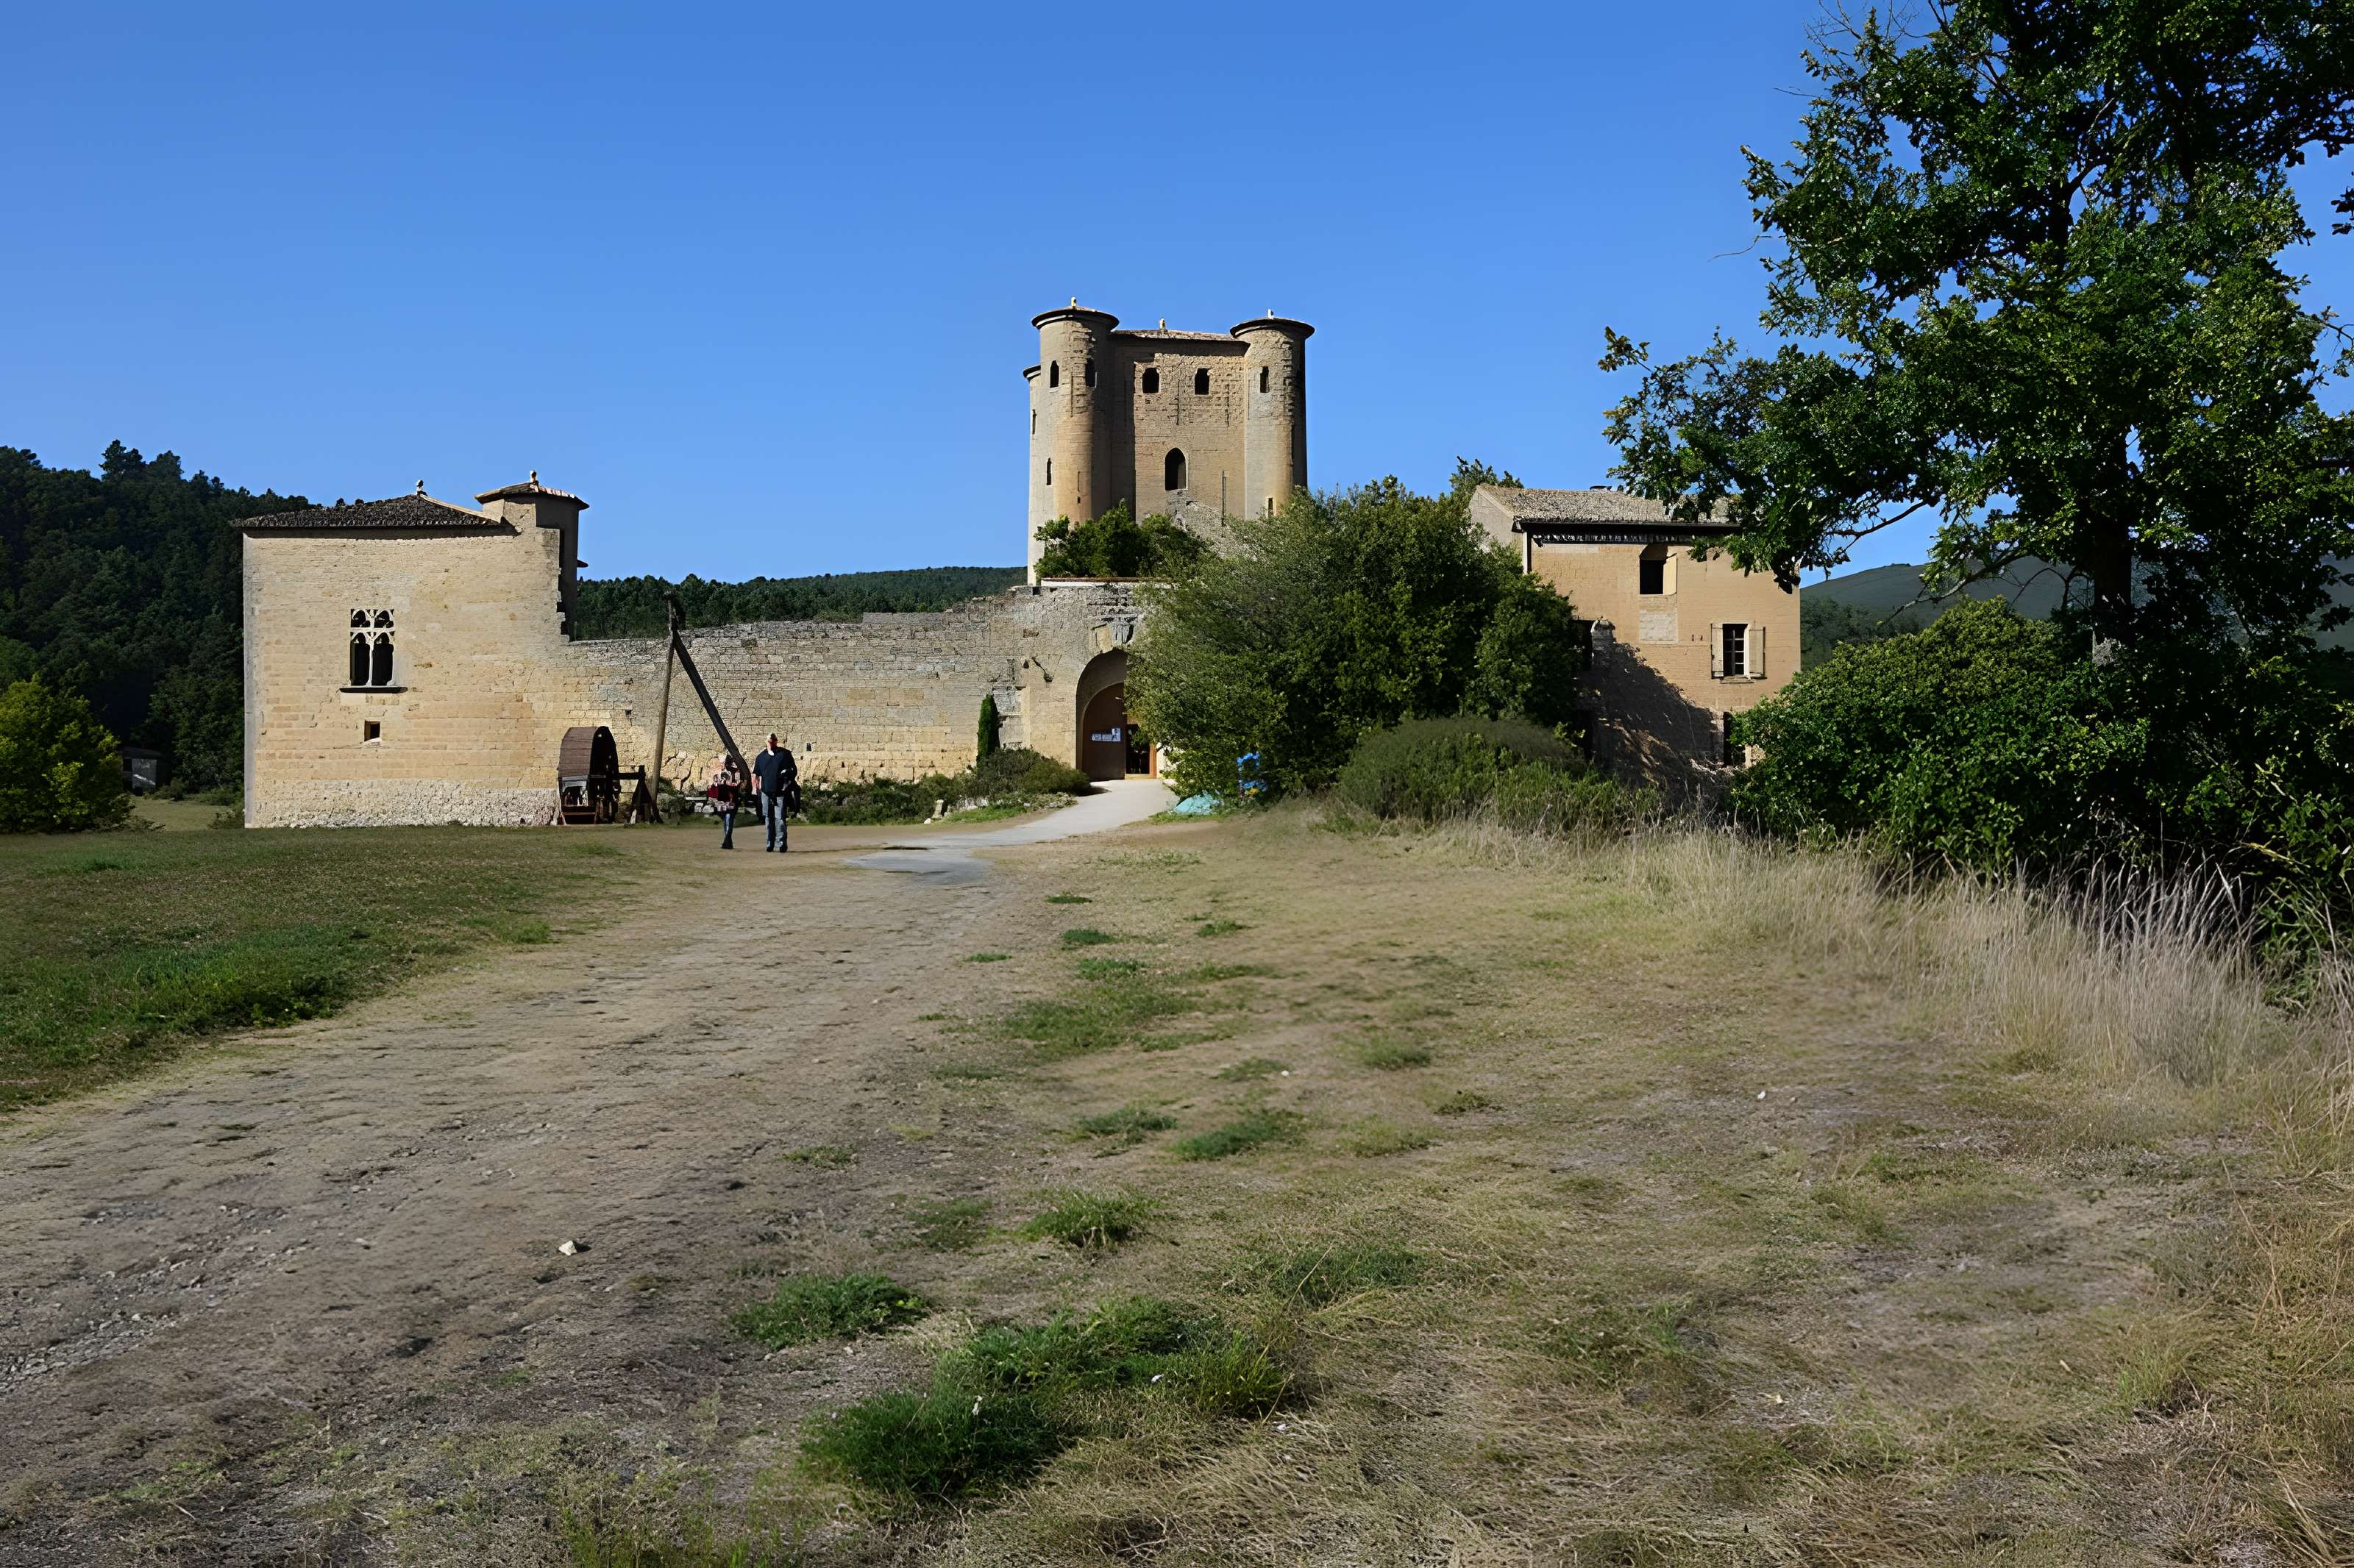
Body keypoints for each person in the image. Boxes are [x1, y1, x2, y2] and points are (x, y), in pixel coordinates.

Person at [751, 733, 798, 852]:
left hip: (780, 792)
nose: (771, 743)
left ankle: (781, 843)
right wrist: (755, 789)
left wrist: (786, 783)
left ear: (776, 741)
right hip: (766, 792)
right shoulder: (761, 757)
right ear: (766, 742)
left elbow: (794, 771)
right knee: (768, 818)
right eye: (769, 741)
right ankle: (769, 844)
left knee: (780, 818)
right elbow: (756, 774)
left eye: (773, 741)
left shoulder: (784, 754)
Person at [708, 756, 743, 849]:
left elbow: (737, 785)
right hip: (723, 798)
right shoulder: (723, 772)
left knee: (729, 819)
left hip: (732, 798)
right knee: (726, 819)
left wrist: (729, 785)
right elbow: (719, 784)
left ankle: (727, 840)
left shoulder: (737, 772)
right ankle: (728, 841)